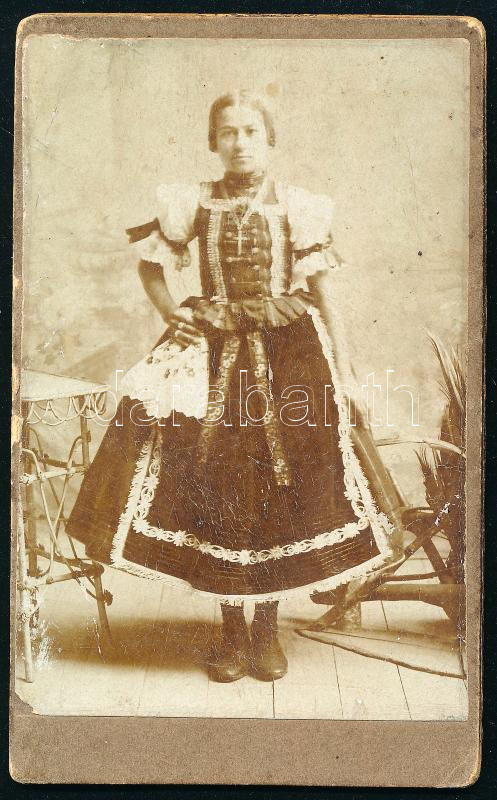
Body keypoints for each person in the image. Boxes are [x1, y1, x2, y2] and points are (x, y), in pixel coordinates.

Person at [66, 90, 396, 683]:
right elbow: (150, 266)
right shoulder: (191, 203)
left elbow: (325, 296)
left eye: (250, 131)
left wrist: (345, 376)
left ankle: (266, 628)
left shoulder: (298, 206)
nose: (239, 142)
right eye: (227, 132)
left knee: (279, 484)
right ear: (212, 141)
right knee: (216, 480)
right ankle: (231, 630)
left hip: (289, 356)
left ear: (269, 139)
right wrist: (170, 312)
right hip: (212, 353)